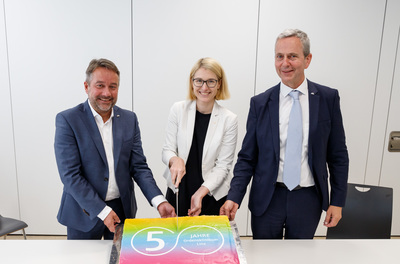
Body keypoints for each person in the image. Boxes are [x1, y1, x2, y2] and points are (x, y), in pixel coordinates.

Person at [220, 29, 349, 239]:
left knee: (299, 263)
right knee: (265, 260)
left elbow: (338, 157)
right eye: (279, 56)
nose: (285, 63)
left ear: (307, 60)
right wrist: (234, 196)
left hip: (308, 199)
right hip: (267, 199)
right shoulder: (260, 103)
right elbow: (247, 158)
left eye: (293, 56)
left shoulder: (327, 99)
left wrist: (338, 201)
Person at [55, 58, 175, 240]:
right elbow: (70, 175)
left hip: (121, 210)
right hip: (83, 211)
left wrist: (159, 201)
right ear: (86, 87)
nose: (106, 92)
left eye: (113, 86)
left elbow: (139, 167)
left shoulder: (129, 119)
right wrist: (102, 211)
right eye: (100, 85)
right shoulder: (68, 120)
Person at [162, 57, 238, 216]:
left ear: (219, 84)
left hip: (210, 194)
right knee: (174, 239)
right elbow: (167, 150)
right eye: (199, 81)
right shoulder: (178, 109)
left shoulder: (229, 119)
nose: (204, 87)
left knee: (208, 241)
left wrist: (201, 193)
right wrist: (174, 160)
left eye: (211, 81)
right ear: (192, 82)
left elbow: (223, 166)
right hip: (178, 191)